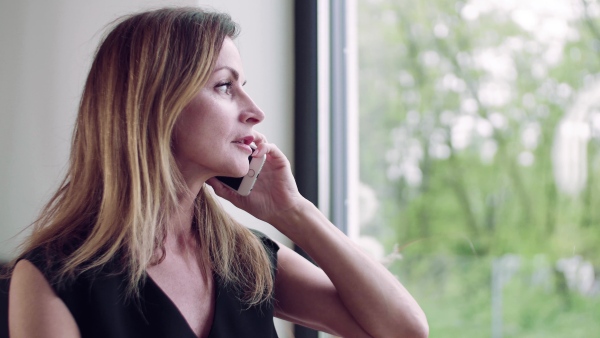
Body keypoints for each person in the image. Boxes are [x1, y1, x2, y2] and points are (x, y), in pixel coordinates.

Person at [6, 7, 428, 338]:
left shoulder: (244, 260)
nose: (255, 111)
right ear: (156, 105)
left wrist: (295, 212)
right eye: (225, 86)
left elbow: (403, 330)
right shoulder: (53, 279)